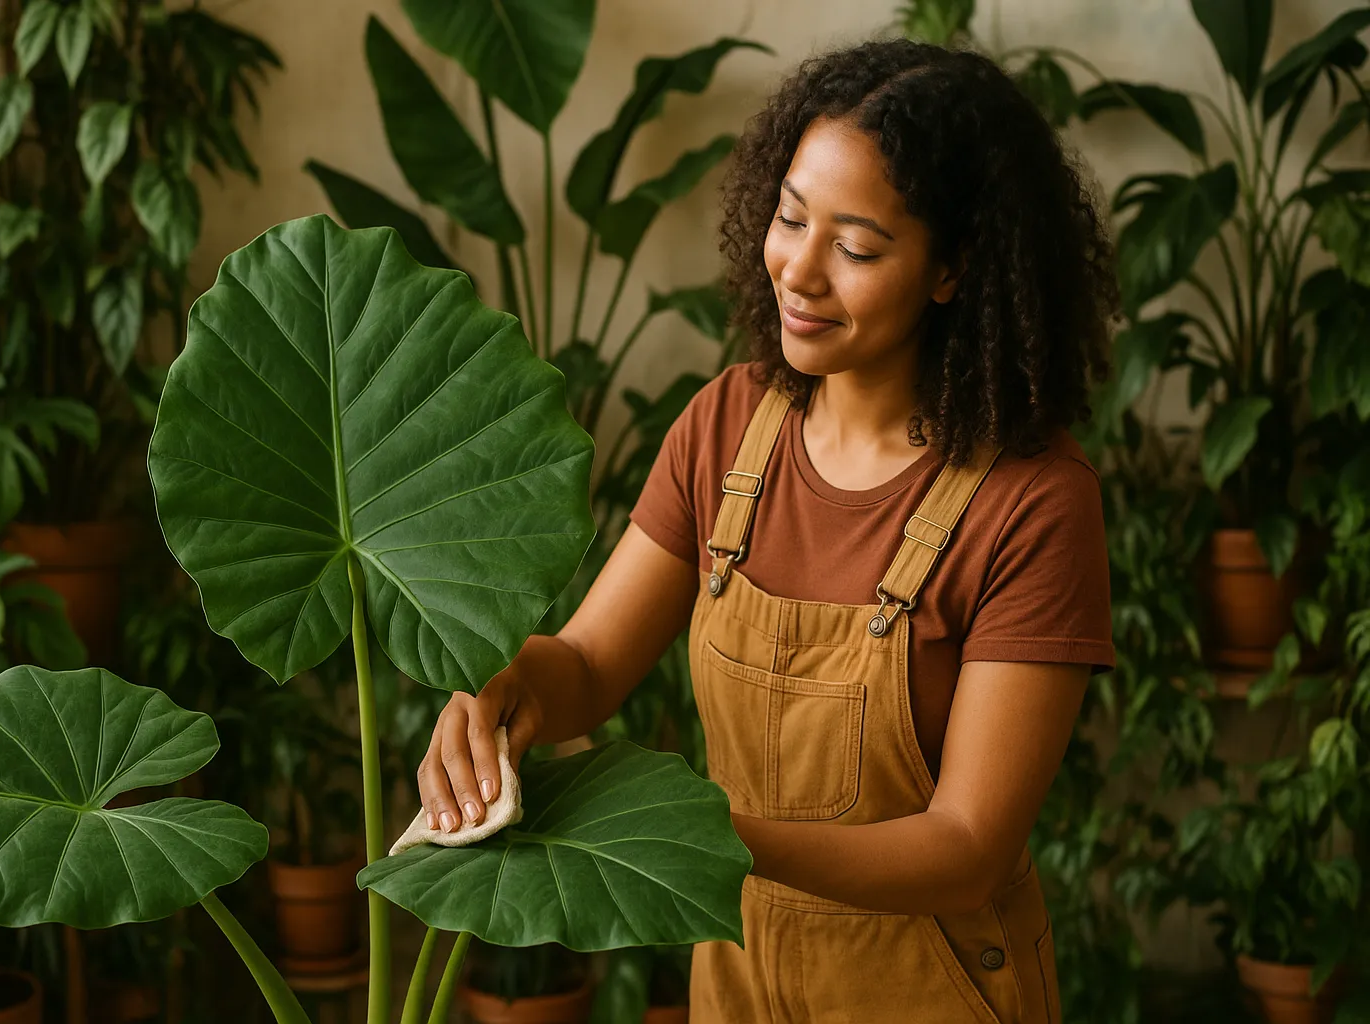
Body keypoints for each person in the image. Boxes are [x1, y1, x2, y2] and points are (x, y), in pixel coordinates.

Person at [415, 37, 1117, 1024]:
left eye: (857, 248)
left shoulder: (1033, 503)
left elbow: (967, 848)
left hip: (935, 990)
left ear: (954, 268)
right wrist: (504, 689)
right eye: (790, 218)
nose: (799, 269)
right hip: (741, 980)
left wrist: (701, 835)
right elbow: (586, 661)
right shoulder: (726, 426)